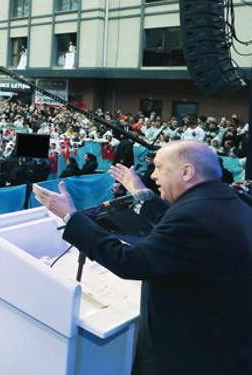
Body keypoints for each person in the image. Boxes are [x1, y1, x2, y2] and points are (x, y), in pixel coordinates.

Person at [32, 140, 252, 374]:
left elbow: (129, 261)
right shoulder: (227, 203)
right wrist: (141, 195)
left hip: (191, 356)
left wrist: (71, 217)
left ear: (186, 172)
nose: (153, 176)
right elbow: (177, 229)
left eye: (159, 167)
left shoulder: (193, 216)